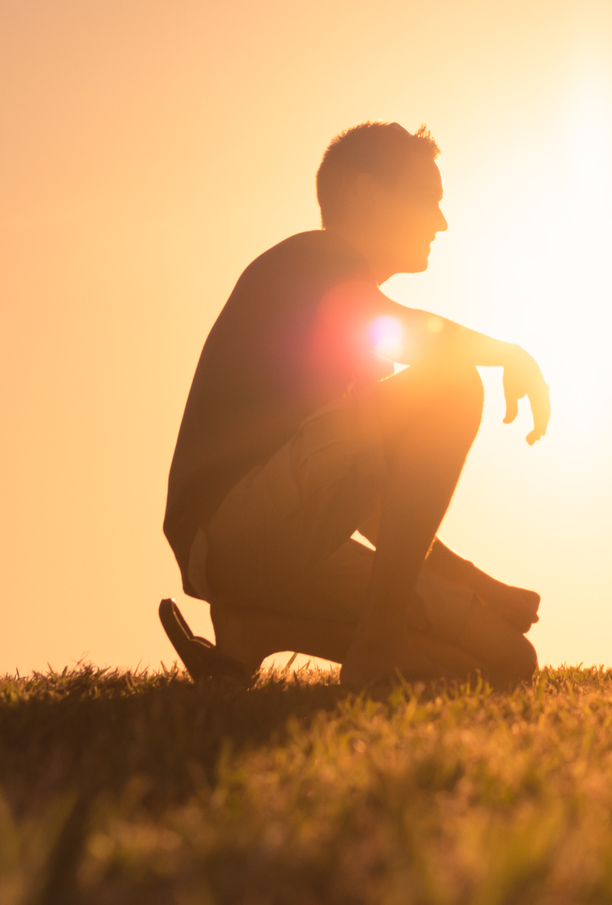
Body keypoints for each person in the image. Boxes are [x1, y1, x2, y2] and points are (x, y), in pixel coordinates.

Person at [156, 122, 549, 689]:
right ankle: (377, 646)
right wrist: (509, 354)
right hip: (228, 530)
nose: (441, 221)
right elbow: (417, 339)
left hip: (279, 546)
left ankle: (257, 628)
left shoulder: (358, 334)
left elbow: (360, 491)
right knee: (455, 383)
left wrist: (475, 584)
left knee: (503, 662)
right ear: (367, 193)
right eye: (428, 200)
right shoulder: (313, 258)